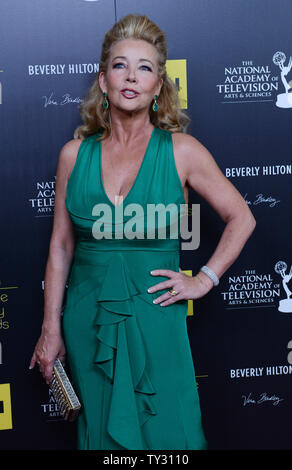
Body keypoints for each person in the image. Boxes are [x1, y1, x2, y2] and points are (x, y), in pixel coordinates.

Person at [29, 14, 256, 450]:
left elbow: (242, 217)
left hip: (157, 317)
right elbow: (60, 246)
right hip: (87, 320)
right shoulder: (73, 156)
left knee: (173, 431)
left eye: (145, 67)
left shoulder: (182, 151)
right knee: (102, 436)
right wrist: (50, 328)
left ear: (159, 87)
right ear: (103, 80)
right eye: (120, 65)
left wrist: (204, 278)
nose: (131, 76)